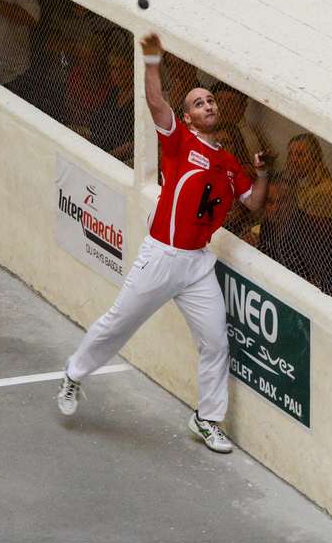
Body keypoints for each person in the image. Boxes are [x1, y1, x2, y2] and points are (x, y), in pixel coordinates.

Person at [57, 32, 270, 453]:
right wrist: (152, 60)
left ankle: (206, 420)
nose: (207, 105)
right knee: (119, 323)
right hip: (161, 256)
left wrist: (262, 173)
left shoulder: (230, 165)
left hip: (197, 264)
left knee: (216, 343)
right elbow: (156, 104)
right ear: (188, 118)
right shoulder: (179, 143)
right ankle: (73, 375)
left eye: (210, 100)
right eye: (198, 103)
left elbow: (255, 202)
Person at [285, 133, 332, 295]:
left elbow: (313, 237)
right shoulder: (293, 183)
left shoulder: (323, 192)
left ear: (315, 160)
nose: (293, 160)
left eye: (301, 155)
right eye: (291, 154)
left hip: (320, 263)